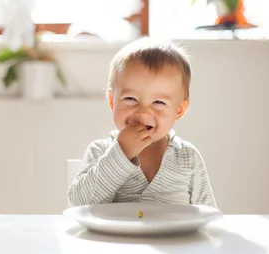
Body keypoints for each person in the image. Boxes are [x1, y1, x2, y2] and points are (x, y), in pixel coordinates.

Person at [68, 37, 216, 208]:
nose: (143, 111)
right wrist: (120, 153)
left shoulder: (187, 157)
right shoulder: (100, 151)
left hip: (173, 236)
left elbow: (208, 216)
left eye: (158, 102)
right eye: (130, 99)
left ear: (179, 110)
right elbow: (80, 204)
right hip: (115, 236)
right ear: (112, 101)